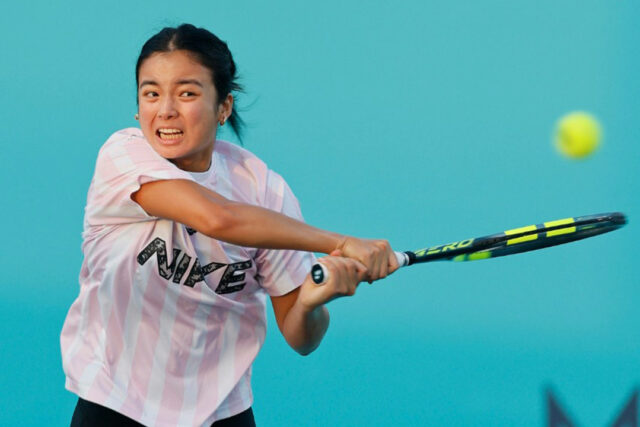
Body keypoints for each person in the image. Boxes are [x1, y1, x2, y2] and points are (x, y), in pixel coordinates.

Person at [61, 23, 397, 427]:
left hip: (220, 413)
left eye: (187, 93)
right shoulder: (122, 157)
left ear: (224, 107)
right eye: (151, 93)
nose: (165, 110)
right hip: (115, 406)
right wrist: (342, 242)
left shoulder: (264, 192)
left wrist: (312, 300)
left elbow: (302, 339)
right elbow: (217, 218)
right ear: (138, 107)